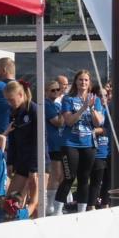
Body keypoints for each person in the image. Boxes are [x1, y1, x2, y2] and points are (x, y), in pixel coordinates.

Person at [55, 70, 104, 214]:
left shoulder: (95, 100)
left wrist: (92, 108)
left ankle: (81, 212)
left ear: (90, 83)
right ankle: (57, 211)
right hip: (70, 143)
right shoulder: (68, 99)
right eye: (80, 79)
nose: (83, 82)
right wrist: (83, 107)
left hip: (88, 144)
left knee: (84, 178)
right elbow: (69, 121)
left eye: (86, 80)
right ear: (76, 82)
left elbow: (98, 123)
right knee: (69, 177)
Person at [3, 80, 41, 217]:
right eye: (7, 100)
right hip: (22, 162)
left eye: (11, 99)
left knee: (35, 205)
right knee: (9, 203)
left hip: (38, 162)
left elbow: (39, 141)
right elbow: (12, 139)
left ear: (20, 94)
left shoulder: (34, 110)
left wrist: (34, 168)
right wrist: (10, 162)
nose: (9, 103)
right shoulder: (14, 112)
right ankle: (16, 222)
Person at [43, 79, 65, 214]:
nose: (56, 92)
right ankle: (49, 204)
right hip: (52, 144)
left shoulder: (55, 104)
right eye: (53, 90)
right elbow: (58, 122)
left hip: (59, 144)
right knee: (55, 175)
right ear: (46, 91)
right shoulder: (47, 104)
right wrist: (64, 111)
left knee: (61, 175)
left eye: (58, 89)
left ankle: (56, 203)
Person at [89, 84, 112, 210]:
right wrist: (103, 130)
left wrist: (104, 130)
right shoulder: (93, 110)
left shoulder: (108, 110)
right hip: (97, 151)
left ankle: (105, 205)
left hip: (108, 150)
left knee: (108, 181)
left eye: (106, 95)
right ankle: (91, 207)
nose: (103, 98)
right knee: (96, 182)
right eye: (100, 95)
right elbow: (92, 129)